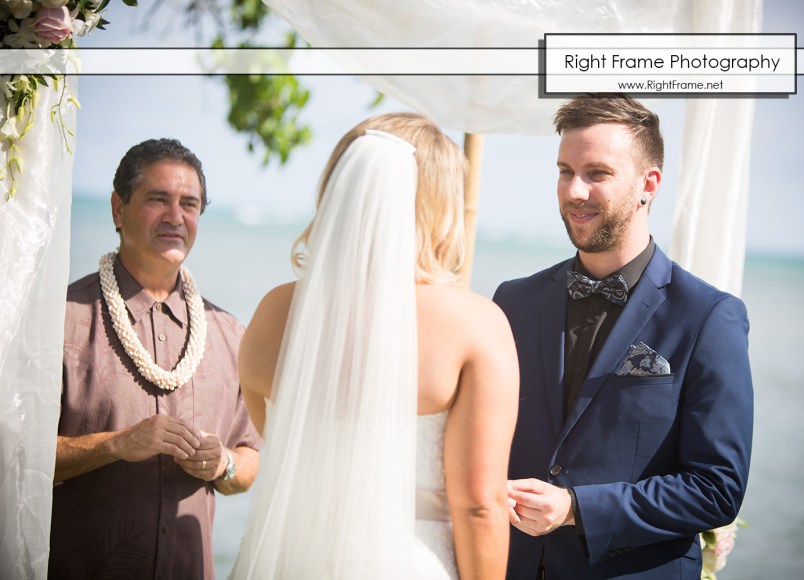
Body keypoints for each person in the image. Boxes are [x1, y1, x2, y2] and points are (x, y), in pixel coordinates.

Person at [231, 113, 519, 579]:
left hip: (283, 559)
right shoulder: (476, 325)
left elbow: (283, 445)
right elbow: (479, 505)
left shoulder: (272, 311)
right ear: (441, 206)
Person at [493, 94, 753, 579]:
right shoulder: (512, 301)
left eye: (597, 173)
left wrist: (574, 508)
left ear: (647, 185)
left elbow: (716, 489)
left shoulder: (708, 316)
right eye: (565, 171)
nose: (574, 191)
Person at [50, 138, 261, 579]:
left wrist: (222, 463)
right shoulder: (59, 321)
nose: (175, 217)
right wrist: (116, 444)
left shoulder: (229, 334)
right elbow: (16, 457)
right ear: (118, 209)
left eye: (189, 204)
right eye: (158, 199)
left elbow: (249, 461)